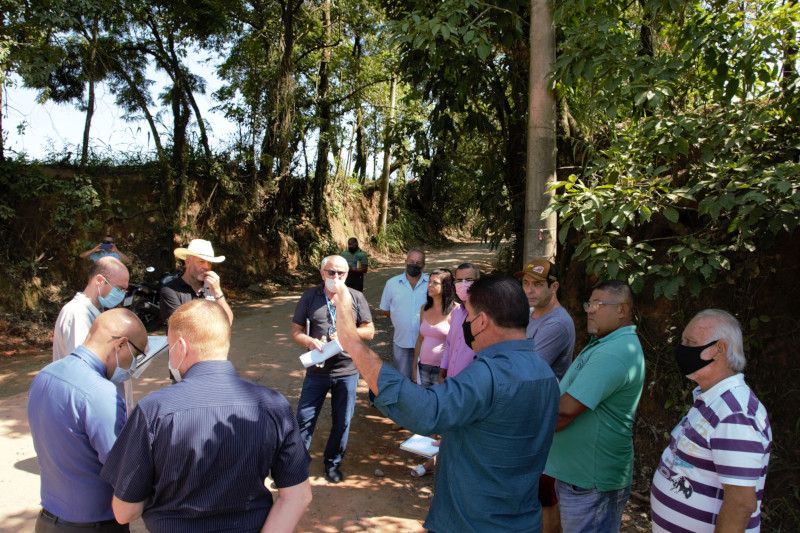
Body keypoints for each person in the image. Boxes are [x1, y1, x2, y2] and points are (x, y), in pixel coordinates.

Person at [334, 275, 560, 532]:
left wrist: (353, 343)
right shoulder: (544, 373)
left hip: (472, 522)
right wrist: (460, 440)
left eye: (468, 316)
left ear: (482, 321)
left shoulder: (489, 373)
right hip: (522, 520)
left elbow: (425, 411)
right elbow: (507, 433)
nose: (463, 323)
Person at [101, 300, 312, 532]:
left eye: (170, 346)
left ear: (180, 346)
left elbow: (124, 512)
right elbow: (297, 497)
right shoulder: (273, 405)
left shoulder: (152, 410)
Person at [651, 309, 771, 532]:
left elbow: (741, 504)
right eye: (682, 341)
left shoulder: (735, 414)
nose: (682, 349)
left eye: (690, 342)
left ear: (719, 349)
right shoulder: (711, 400)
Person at [29, 309, 148, 533]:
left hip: (47, 519)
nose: (133, 364)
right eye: (137, 354)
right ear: (120, 344)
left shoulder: (45, 375)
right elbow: (124, 471)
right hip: (92, 525)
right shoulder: (100, 392)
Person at [544, 280, 645, 533]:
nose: (589, 309)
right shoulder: (605, 343)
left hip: (591, 484)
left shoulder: (614, 352)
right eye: (589, 303)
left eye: (598, 304)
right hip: (580, 478)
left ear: (622, 310)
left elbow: (564, 412)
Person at [291, 255, 374, 483]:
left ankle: (333, 464)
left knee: (342, 421)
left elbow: (370, 330)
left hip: (347, 371)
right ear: (322, 273)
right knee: (304, 419)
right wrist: (308, 341)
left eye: (341, 273)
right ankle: (295, 466)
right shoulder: (309, 297)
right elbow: (296, 331)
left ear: (347, 275)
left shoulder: (356, 297)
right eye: (331, 272)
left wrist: (350, 334)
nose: (336, 277)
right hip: (317, 370)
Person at [515, 258, 576, 533]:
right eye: (526, 283)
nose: (529, 290)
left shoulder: (558, 324)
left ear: (555, 286)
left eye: (537, 284)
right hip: (528, 414)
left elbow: (526, 367)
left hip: (544, 418)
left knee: (546, 494)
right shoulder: (530, 315)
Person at [53, 256, 130, 361]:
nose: (121, 294)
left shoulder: (99, 311)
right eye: (119, 288)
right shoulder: (77, 314)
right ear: (99, 281)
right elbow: (80, 364)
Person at [379, 248, 429, 379]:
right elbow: (384, 308)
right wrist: (399, 319)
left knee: (424, 379)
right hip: (402, 341)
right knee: (403, 378)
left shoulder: (431, 284)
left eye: (418, 262)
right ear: (405, 262)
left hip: (426, 342)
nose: (414, 264)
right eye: (411, 261)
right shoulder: (392, 284)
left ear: (423, 265)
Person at [159, 238, 233, 325]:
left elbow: (228, 322)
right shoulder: (171, 289)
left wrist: (218, 292)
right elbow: (179, 326)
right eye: (201, 261)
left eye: (209, 263)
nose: (206, 267)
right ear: (188, 262)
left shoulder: (211, 287)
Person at [412, 268, 455, 387]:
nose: (430, 285)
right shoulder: (424, 309)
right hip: (423, 368)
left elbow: (458, 343)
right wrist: (414, 367)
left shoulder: (455, 310)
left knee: (441, 404)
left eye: (435, 283)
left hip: (443, 371)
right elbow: (420, 339)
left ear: (446, 286)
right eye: (429, 282)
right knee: (424, 403)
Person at [437, 263, 480, 382]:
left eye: (469, 280)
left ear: (478, 282)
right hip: (451, 381)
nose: (464, 284)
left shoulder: (485, 315)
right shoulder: (456, 312)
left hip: (472, 384)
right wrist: (442, 372)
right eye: (459, 280)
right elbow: (449, 344)